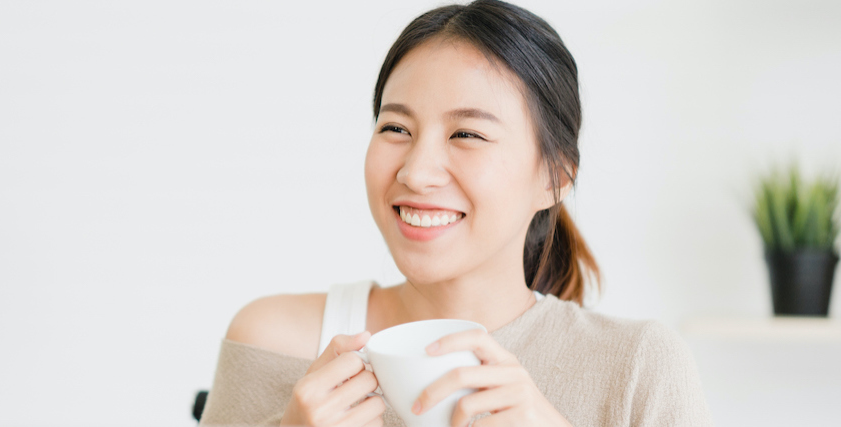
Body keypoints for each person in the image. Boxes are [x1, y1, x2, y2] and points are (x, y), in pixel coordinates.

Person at [197, 1, 713, 426]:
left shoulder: (638, 367)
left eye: (467, 134)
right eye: (396, 128)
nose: (417, 173)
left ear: (555, 175)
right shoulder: (273, 340)